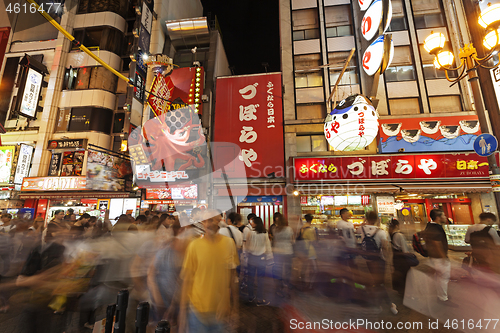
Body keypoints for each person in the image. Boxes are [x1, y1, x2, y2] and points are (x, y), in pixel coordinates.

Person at [179, 210, 239, 332]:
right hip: (196, 312)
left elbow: (233, 278)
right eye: (204, 221)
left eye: (211, 220)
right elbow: (187, 280)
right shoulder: (194, 246)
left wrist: (235, 308)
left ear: (219, 221)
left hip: (220, 312)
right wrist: (182, 314)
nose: (207, 224)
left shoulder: (229, 244)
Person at [357, 211, 398, 314]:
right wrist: (390, 263)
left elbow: (360, 229)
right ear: (377, 219)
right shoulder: (381, 232)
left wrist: (364, 222)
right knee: (380, 283)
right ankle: (389, 305)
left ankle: (379, 304)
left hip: (368, 260)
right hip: (379, 260)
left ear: (366, 218)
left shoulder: (361, 229)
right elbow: (385, 248)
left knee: (377, 283)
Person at [424, 208, 451, 303]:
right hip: (438, 257)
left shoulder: (429, 226)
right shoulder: (435, 228)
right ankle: (443, 298)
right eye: (443, 215)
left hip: (433, 256)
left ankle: (441, 295)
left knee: (439, 277)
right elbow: (436, 243)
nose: (445, 217)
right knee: (443, 277)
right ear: (438, 217)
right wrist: (443, 256)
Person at [246, 217, 273, 306]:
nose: (251, 224)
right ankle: (260, 299)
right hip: (262, 258)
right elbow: (268, 246)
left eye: (252, 222)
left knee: (251, 278)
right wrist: (270, 258)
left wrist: (246, 256)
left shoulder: (250, 233)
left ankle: (250, 297)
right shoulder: (265, 233)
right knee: (261, 280)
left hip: (251, 258)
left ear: (256, 223)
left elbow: (247, 247)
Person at [272, 216, 294, 297]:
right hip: (288, 251)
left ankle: (279, 286)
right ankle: (287, 284)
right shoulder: (289, 229)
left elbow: (274, 240)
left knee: (279, 269)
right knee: (288, 269)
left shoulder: (275, 230)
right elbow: (292, 241)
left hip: (278, 251)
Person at [388, 219, 411, 296]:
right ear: (397, 226)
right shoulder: (399, 235)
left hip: (395, 258)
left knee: (398, 274)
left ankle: (400, 290)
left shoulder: (389, 235)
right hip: (402, 259)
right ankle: (405, 292)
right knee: (404, 275)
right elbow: (405, 249)